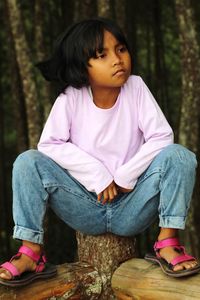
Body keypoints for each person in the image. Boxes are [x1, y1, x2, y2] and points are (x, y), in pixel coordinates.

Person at [0, 18, 199, 287]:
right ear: (82, 67)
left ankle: (167, 241)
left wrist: (124, 176)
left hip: (132, 206)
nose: (117, 60)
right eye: (101, 55)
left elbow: (161, 136)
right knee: (27, 162)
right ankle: (30, 252)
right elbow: (50, 144)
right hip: (85, 206)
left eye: (121, 49)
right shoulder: (71, 97)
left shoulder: (136, 87)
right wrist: (98, 175)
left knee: (179, 156)